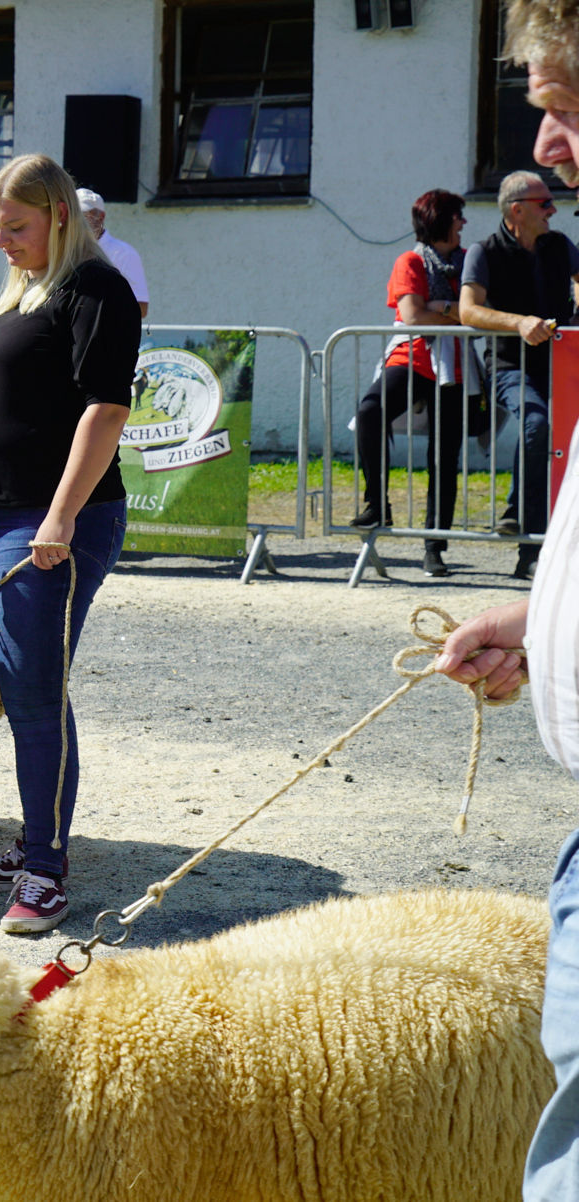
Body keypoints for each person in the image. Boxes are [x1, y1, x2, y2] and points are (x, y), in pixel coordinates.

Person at [0, 153, 138, 934]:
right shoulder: (26, 288)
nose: (2, 241)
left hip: (47, 525)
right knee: (24, 688)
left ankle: (46, 873)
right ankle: (37, 842)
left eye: (15, 226)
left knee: (35, 696)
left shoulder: (97, 287)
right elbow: (27, 392)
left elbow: (105, 411)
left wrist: (59, 518)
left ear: (57, 214)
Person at [439, 7, 579, 1196]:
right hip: (496, 368)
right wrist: (547, 625)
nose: (550, 147)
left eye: (568, 106)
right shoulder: (498, 251)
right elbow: (459, 314)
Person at [459, 168, 579, 580]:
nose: (553, 209)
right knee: (535, 421)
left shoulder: (560, 245)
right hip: (510, 364)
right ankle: (527, 541)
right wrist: (519, 323)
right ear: (517, 210)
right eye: (544, 203)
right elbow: (468, 310)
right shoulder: (484, 251)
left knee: (559, 440)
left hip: (562, 362)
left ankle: (525, 527)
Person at [351, 188, 471, 578]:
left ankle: (434, 547)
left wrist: (441, 307)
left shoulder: (470, 262)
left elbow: (478, 311)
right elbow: (413, 317)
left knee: (444, 456)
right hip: (413, 358)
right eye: (458, 217)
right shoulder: (410, 260)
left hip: (455, 364)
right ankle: (376, 502)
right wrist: (455, 313)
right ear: (439, 219)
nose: (463, 223)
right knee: (371, 411)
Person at [75, 189, 150, 318]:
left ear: (101, 217)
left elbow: (141, 307)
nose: (78, 222)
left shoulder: (124, 253)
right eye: (74, 215)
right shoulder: (65, 251)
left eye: (85, 216)